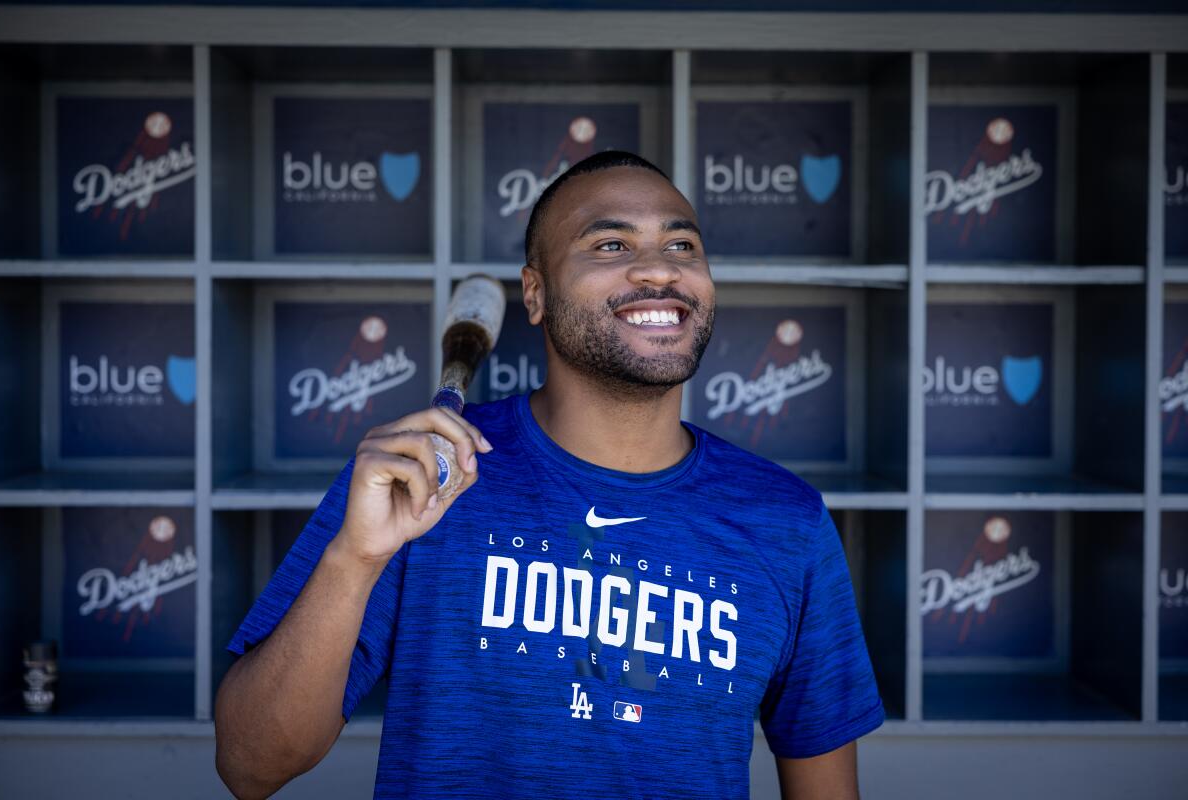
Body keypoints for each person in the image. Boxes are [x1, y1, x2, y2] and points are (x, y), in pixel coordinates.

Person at [214, 150, 884, 800]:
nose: (659, 271)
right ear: (534, 293)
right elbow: (250, 767)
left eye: (682, 246)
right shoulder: (415, 480)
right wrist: (356, 557)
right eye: (611, 246)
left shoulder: (787, 523)